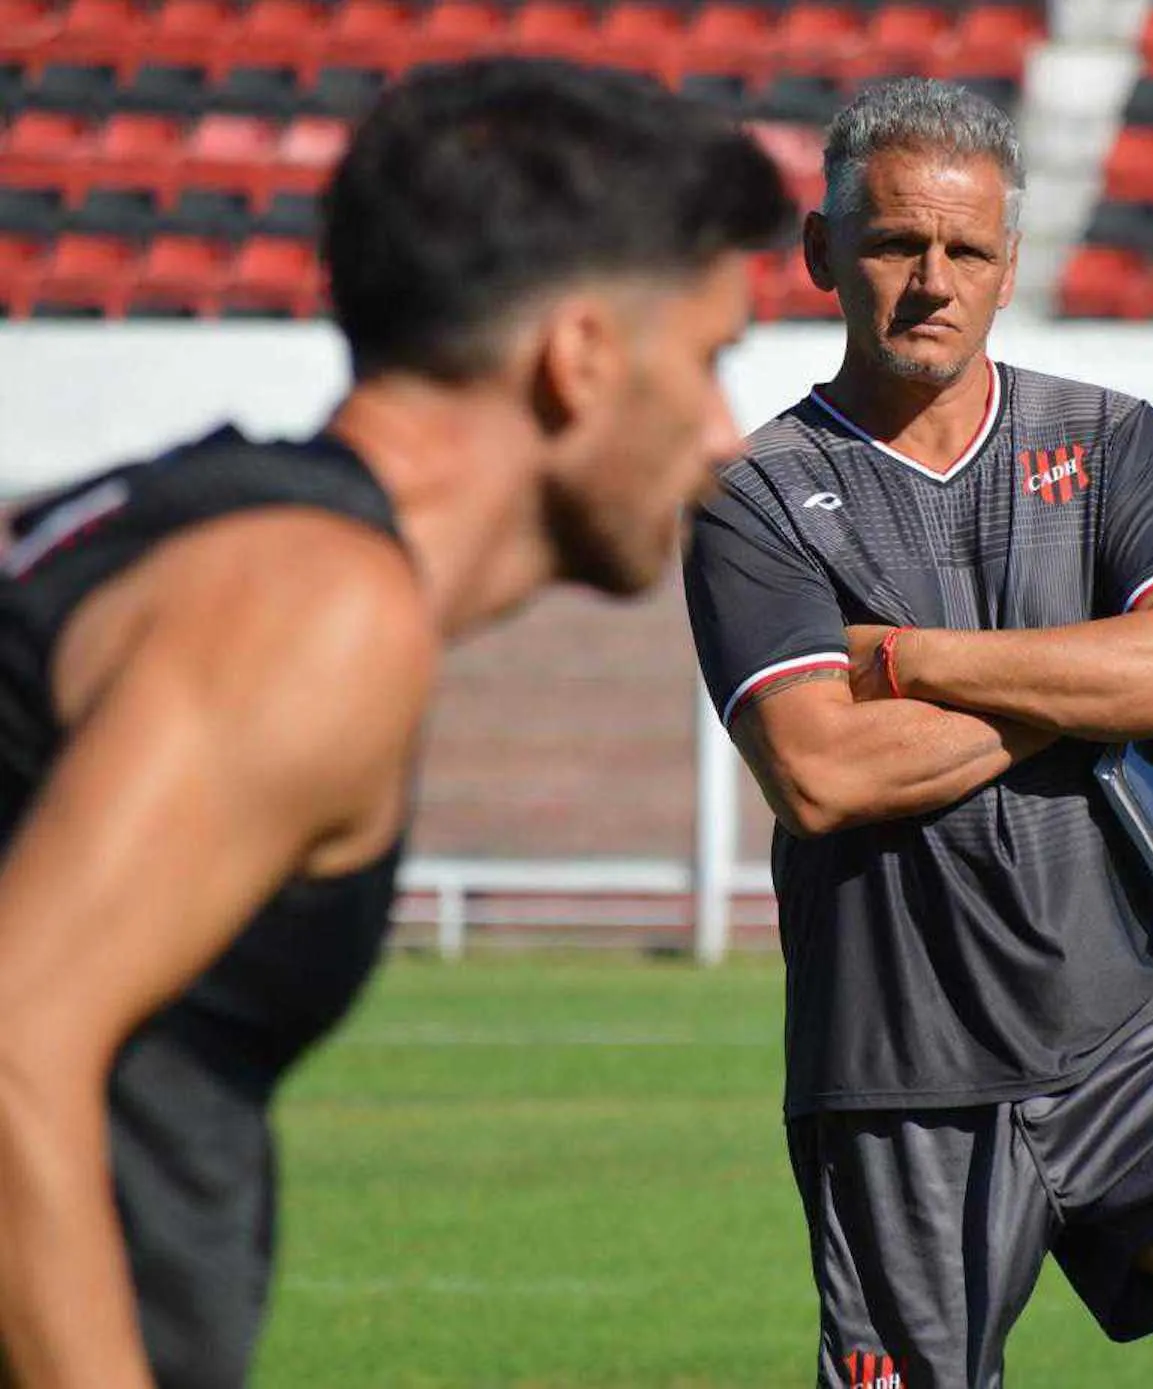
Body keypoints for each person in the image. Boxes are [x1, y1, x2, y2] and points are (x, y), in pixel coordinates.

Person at [0, 59, 791, 1389]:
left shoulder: (195, 523)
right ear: (579, 358)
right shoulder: (316, 606)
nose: (726, 435)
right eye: (711, 362)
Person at [683, 78, 1153, 1389]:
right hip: (900, 1073)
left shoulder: (1114, 444)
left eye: (967, 251)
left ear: (1007, 268)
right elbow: (820, 771)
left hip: (1136, 1032)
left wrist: (919, 662)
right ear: (822, 253)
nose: (931, 280)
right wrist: (1089, 687)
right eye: (894, 244)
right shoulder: (752, 499)